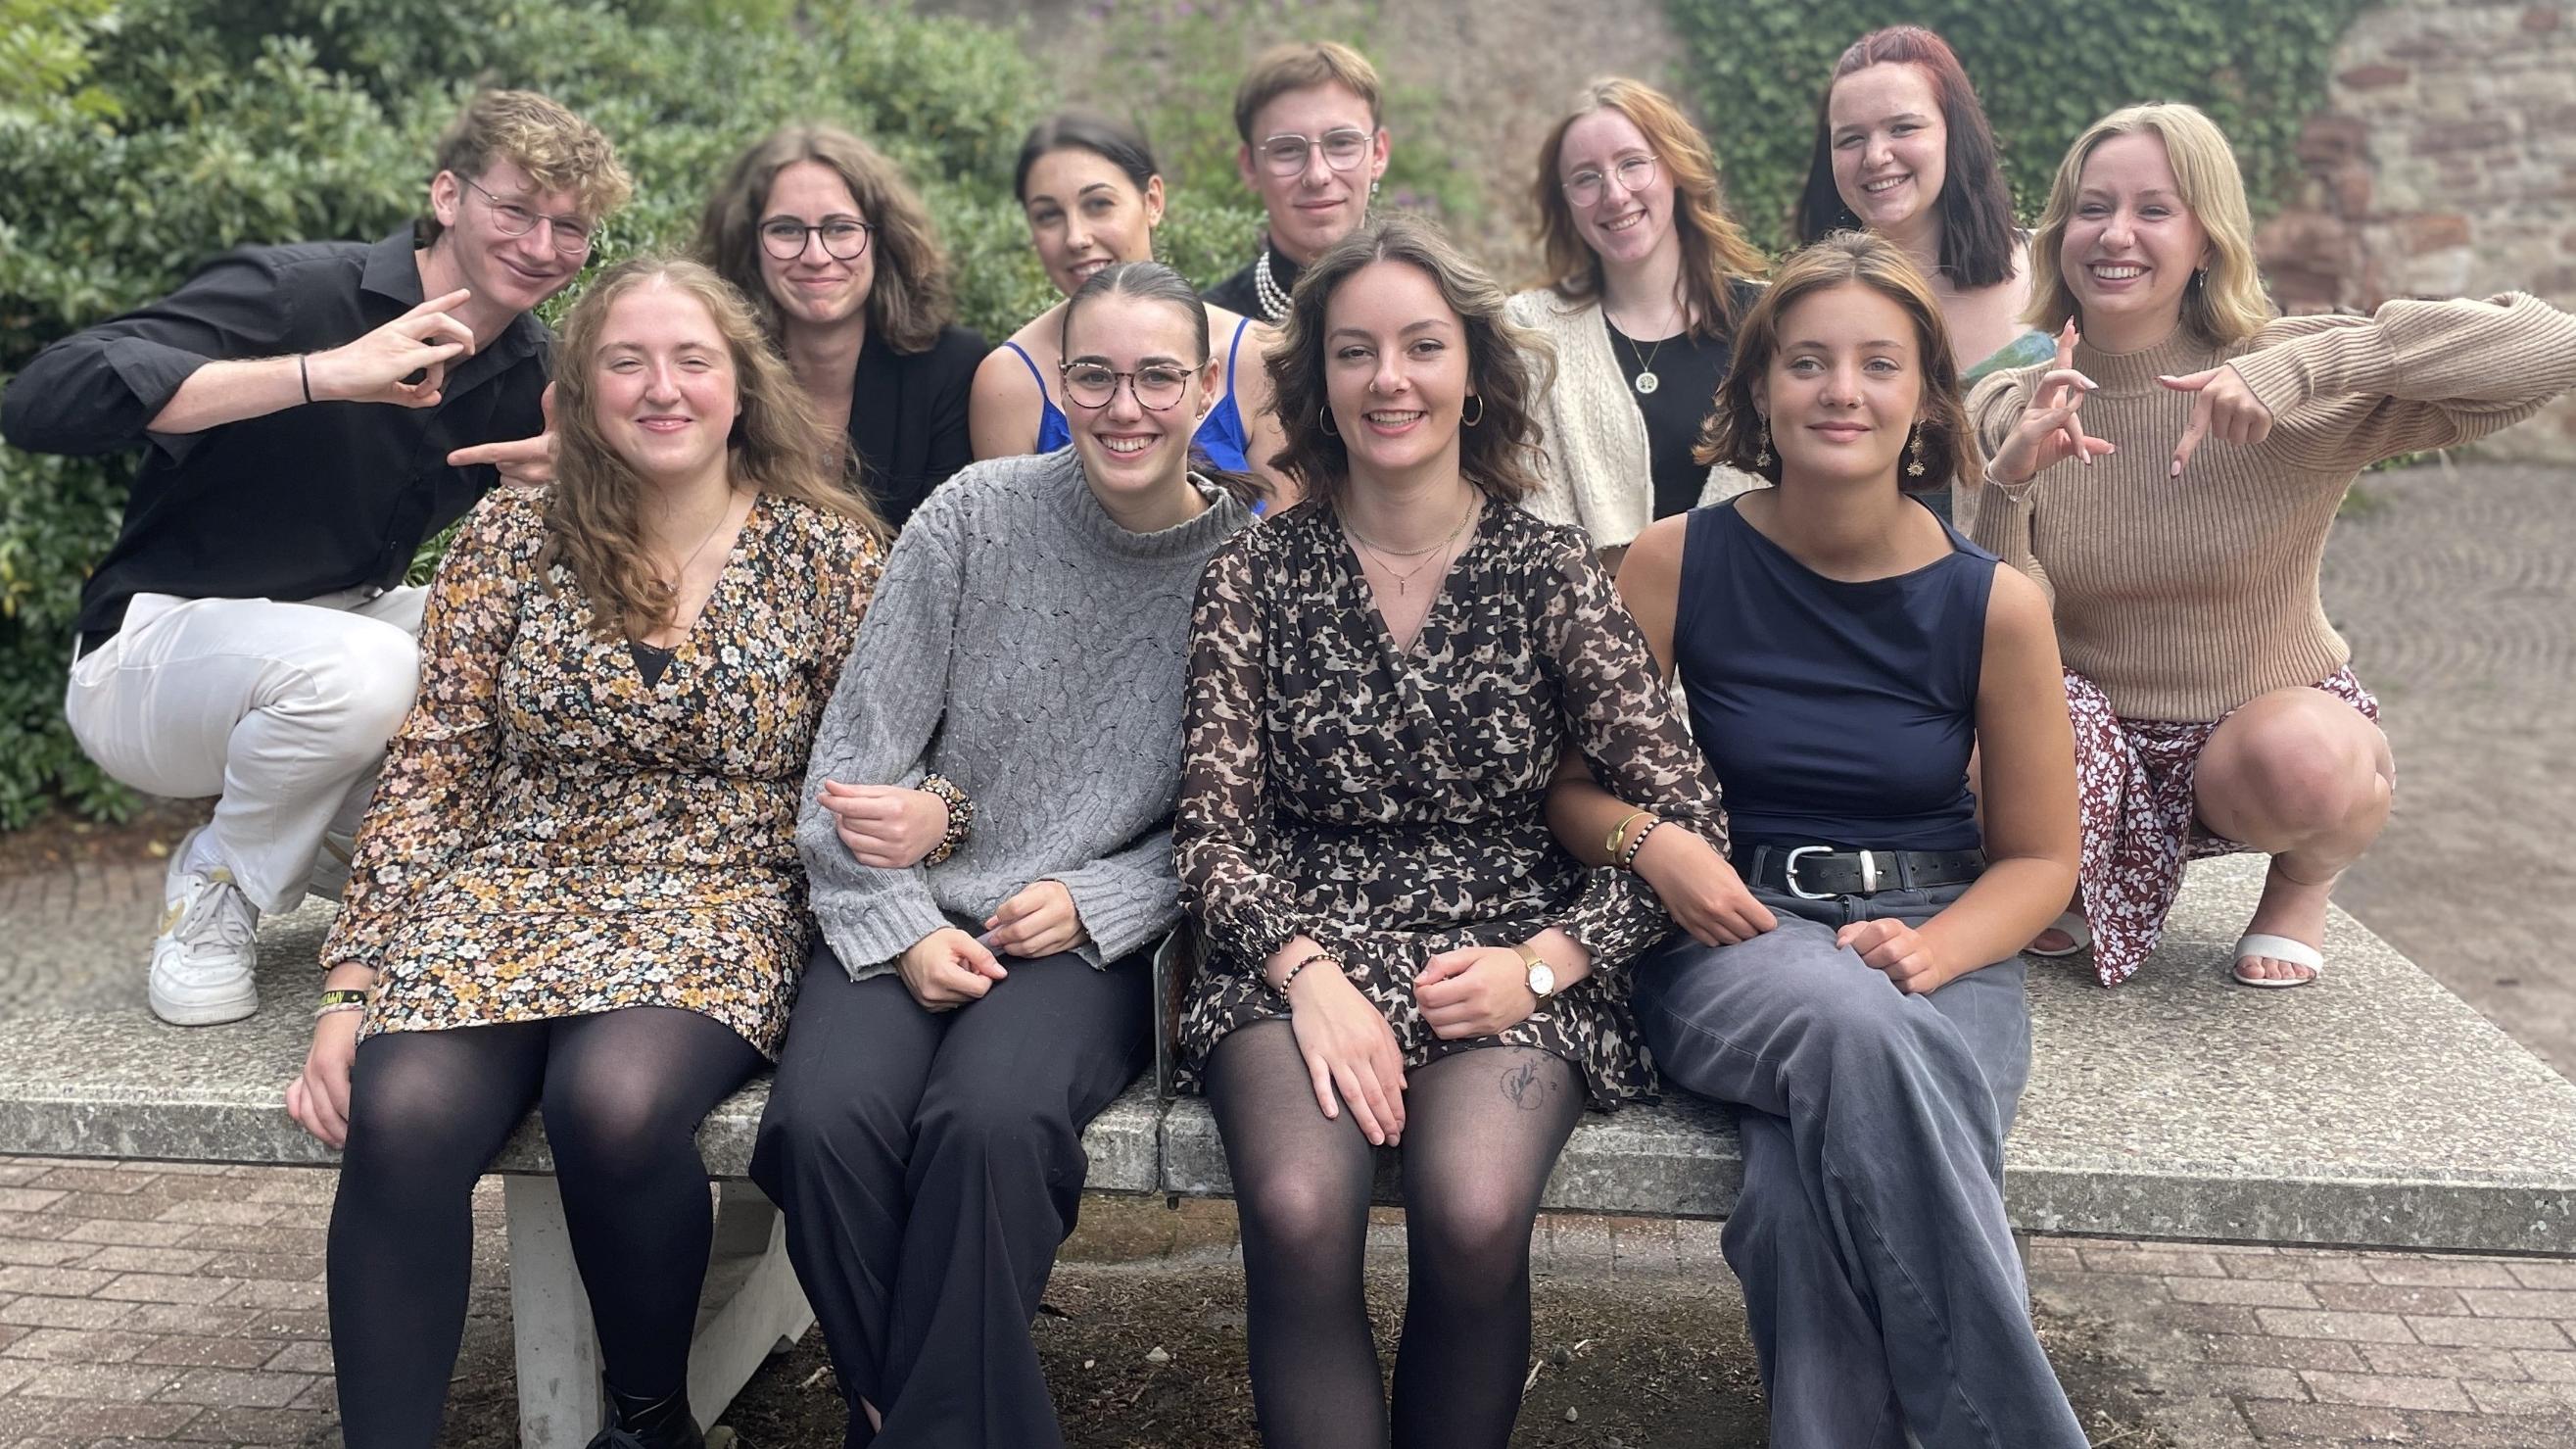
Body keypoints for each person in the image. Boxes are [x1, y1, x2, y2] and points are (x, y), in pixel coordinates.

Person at [284, 259, 885, 1449]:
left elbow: (901, 757)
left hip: (726, 882)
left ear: (740, 383)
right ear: (580, 386)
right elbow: (435, 761)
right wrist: (351, 988)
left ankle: (649, 1418)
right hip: (513, 876)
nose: (660, 388)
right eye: (626, 361)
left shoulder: (831, 556)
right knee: (398, 1114)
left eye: (690, 360)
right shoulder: (511, 535)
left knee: (608, 1102)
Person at [1175, 214, 1728, 1448]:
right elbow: (1210, 831)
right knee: (1296, 1207)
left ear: (1471, 370)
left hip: (1506, 943)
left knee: (1475, 1210)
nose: (1391, 380)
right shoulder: (1253, 576)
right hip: (1293, 941)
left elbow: (1683, 810)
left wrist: (1549, 963)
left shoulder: (1549, 573)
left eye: (1421, 346)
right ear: (1316, 377)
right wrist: (1304, 975)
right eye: (1355, 351)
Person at [1548, 231, 2085, 1448]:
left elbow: (2040, 862)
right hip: (1731, 930)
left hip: (1943, 932)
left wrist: (1936, 954)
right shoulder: (1674, 561)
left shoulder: (1995, 603)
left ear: (1922, 402)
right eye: (1805, 362)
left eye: (1877, 365)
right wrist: (1653, 845)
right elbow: (1571, 794)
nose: (1840, 389)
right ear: (1755, 392)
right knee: (1850, 1025)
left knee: (1796, 1203)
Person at [753, 261, 1255, 1449]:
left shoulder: (1250, 567)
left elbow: (1237, 819)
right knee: (817, 1127)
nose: (1123, 406)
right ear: (1058, 382)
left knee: (990, 1126)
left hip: (1086, 937)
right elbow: (853, 769)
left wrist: (1098, 900)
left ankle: (902, 1420)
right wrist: (905, 929)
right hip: (913, 905)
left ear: (1203, 387)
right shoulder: (972, 515)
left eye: (1154, 377)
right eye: (1094, 375)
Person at [0, 90, 628, 1026]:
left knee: (531, 624)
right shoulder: (303, 294)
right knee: (373, 665)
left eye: (569, 228)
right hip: (148, 659)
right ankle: (214, 891)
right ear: (448, 196)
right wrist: (318, 374)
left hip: (337, 636)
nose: (542, 246)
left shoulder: (529, 370)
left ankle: (366, 843)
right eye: (516, 211)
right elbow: (42, 397)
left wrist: (556, 488)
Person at [1962, 102, 2576, 987]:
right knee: (1979, 742)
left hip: (2256, 727)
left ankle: (2302, 880)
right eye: (2093, 208)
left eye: (2154, 210)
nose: (2115, 234)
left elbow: (2547, 348)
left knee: (2305, 765)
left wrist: (2303, 365)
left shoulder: (2276, 377)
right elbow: (1997, 636)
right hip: (2093, 738)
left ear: (2208, 239)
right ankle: (2066, 864)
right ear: (2060, 231)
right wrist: (2012, 483)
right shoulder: (2016, 402)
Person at [1507, 76, 1769, 563]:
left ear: (1674, 168)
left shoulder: (1770, 321)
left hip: (1748, 624)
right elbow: (1534, 519)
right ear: (1565, 202)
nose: (1615, 193)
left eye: (1632, 164)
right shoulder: (1531, 331)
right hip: (1588, 626)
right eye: (1586, 177)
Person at [969, 111, 1290, 506]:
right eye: (1048, 215)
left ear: (1152, 201)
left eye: (1099, 204)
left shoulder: (1256, 356)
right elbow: (1006, 551)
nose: (1076, 237)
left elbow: (1288, 546)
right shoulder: (1008, 382)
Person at [697, 123, 985, 529]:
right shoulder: (714, 371)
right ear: (749, 245)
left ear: (883, 241)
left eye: (840, 228)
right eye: (786, 229)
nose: (816, 255)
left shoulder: (954, 368)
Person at [1795, 26, 2046, 389]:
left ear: (1954, 134)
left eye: (1902, 128)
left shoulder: (2054, 269)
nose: (1876, 157)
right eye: (1851, 138)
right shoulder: (1803, 306)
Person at [1202, 41, 1392, 325]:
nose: (1317, 175)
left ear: (1378, 154)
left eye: (1341, 143)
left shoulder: (1444, 309)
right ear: (1250, 166)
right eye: (1287, 149)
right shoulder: (1209, 331)